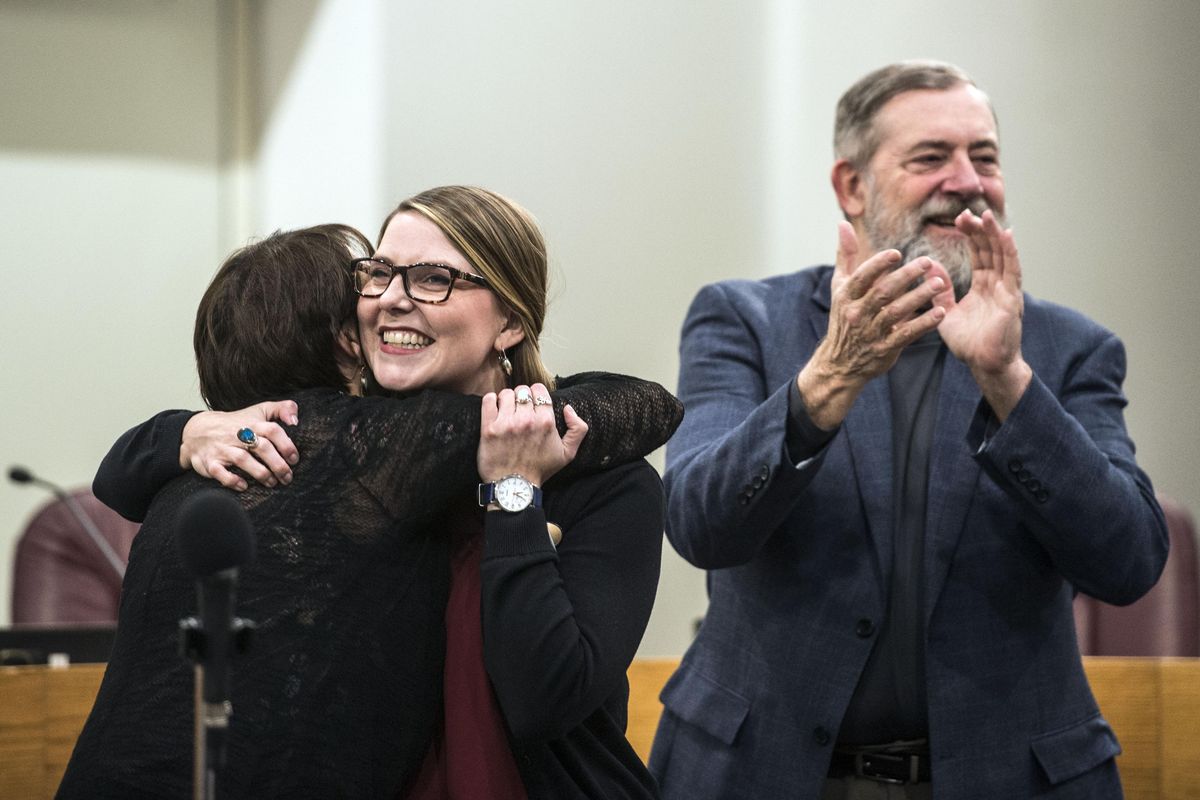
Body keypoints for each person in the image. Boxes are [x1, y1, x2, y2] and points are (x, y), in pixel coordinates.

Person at [648, 61, 1168, 800]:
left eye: (984, 157)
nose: (967, 180)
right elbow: (700, 524)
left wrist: (1007, 381)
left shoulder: (1067, 349)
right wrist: (829, 378)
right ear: (851, 186)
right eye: (931, 157)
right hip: (763, 771)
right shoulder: (745, 321)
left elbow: (1129, 565)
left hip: (1006, 777)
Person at [61, 198, 679, 798]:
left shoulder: (602, 482)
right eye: (378, 274)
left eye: (435, 278)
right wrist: (185, 430)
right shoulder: (341, 455)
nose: (393, 298)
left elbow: (547, 700)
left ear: (511, 323)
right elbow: (120, 476)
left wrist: (516, 489)